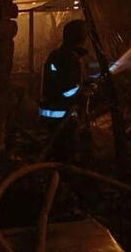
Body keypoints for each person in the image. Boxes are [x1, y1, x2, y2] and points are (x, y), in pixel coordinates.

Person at [39, 19, 88, 162]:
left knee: (58, 152)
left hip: (56, 115)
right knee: (66, 156)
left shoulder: (59, 55)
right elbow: (67, 89)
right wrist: (82, 92)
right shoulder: (68, 59)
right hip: (62, 117)